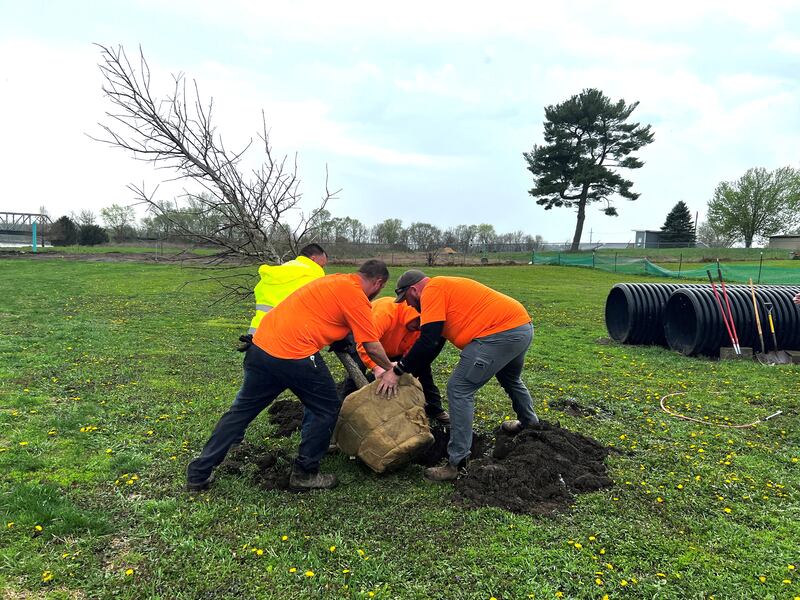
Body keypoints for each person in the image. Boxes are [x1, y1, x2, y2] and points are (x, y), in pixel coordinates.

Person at [187, 260, 397, 492]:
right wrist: (388, 368)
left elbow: (325, 315)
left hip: (260, 348)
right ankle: (305, 473)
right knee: (325, 407)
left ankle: (198, 473)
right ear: (378, 282)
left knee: (241, 412)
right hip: (293, 354)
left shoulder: (333, 281)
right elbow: (371, 344)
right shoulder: (356, 295)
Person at [377, 270, 540, 482]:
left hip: (498, 333)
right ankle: (530, 423)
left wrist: (398, 370)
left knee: (459, 389)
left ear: (413, 290)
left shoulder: (432, 291)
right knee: (510, 378)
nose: (408, 305)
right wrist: (412, 370)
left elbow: (428, 340)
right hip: (520, 328)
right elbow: (435, 343)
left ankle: (456, 463)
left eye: (406, 299)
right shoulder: (444, 289)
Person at [352, 296, 450, 424]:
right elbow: (364, 344)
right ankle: (348, 407)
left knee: (423, 370)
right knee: (357, 371)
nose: (418, 329)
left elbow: (413, 354)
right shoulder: (385, 312)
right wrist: (376, 367)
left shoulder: (420, 327)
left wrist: (403, 370)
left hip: (396, 349)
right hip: (371, 345)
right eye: (417, 324)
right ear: (415, 316)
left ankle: (434, 409)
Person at [247, 243, 328, 335]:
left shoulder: (276, 272)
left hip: (257, 334)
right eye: (321, 265)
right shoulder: (313, 277)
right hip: (287, 338)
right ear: (313, 259)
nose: (322, 269)